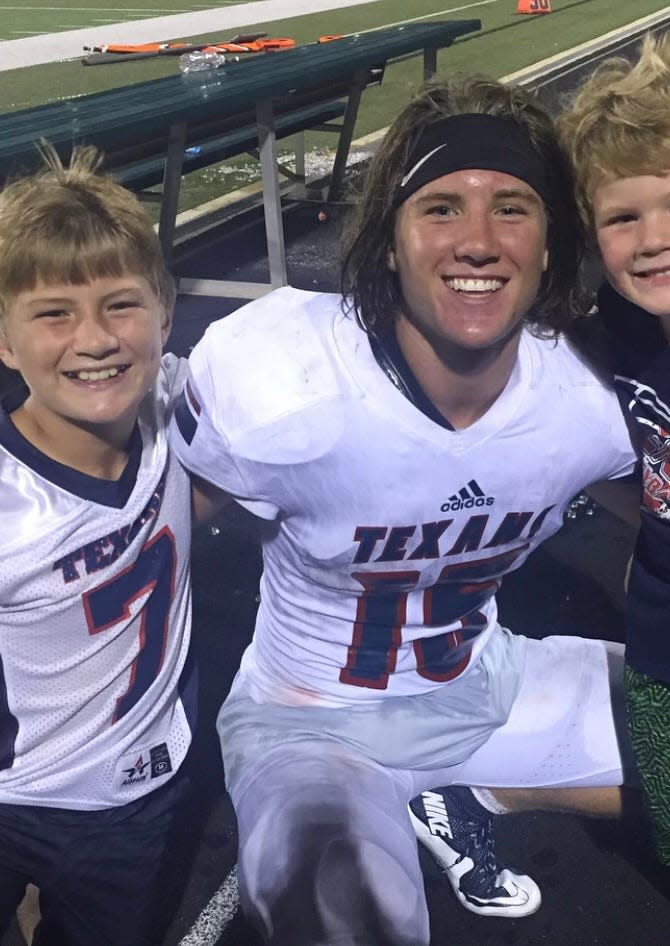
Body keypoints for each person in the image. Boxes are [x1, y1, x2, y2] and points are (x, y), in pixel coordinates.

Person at [170, 75, 639, 946]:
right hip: (310, 727)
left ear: (550, 243)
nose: (478, 241)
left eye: (512, 207)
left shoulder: (586, 392)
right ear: (387, 239)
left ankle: (477, 790)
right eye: (440, 208)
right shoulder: (285, 381)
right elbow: (145, 539)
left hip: (481, 686)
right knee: (347, 922)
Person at [557, 30, 670, 946]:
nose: (656, 238)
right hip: (662, 641)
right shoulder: (617, 333)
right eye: (623, 218)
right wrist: (655, 520)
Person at [0, 145, 196, 946]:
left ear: (165, 313)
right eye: (53, 314)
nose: (95, 339)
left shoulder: (182, 401)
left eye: (121, 305)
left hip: (132, 793)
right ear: (5, 343)